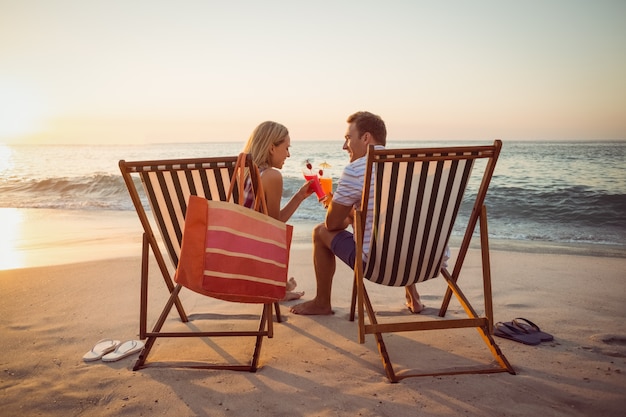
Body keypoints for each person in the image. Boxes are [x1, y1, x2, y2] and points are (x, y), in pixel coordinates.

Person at [290, 111, 423, 315]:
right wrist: (353, 212)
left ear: (366, 137)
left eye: (348, 138)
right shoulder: (410, 167)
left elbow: (333, 225)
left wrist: (340, 208)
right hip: (427, 260)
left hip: (379, 265)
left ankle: (322, 302)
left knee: (319, 232)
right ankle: (414, 297)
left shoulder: (356, 170)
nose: (344, 146)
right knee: (400, 222)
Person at [242, 121, 315, 300]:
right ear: (272, 148)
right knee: (275, 232)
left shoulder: (242, 173)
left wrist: (299, 195)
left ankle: (277, 284)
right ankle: (274, 286)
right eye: (286, 148)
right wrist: (298, 197)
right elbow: (275, 225)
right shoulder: (271, 175)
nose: (288, 154)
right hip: (253, 260)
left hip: (233, 254)